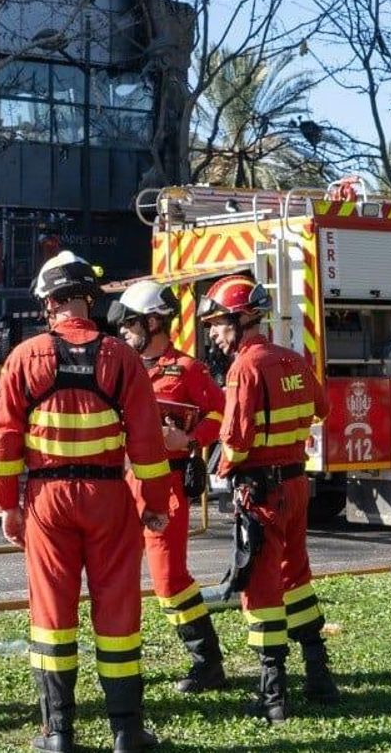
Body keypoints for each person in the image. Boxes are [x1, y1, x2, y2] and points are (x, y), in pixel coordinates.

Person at [0, 251, 174, 753]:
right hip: (110, 497)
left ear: (49, 303)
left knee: (51, 612)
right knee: (117, 613)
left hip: (48, 501)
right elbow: (148, 445)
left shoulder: (25, 357)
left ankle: (58, 733)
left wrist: (8, 504)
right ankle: (127, 731)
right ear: (89, 301)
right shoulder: (123, 358)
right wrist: (155, 502)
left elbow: (6, 441)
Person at [199, 274, 339, 724]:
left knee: (260, 587)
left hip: (260, 493)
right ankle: (319, 674)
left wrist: (215, 468)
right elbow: (322, 409)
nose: (214, 335)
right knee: (296, 578)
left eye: (218, 324)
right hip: (296, 487)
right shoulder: (293, 360)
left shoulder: (245, 368)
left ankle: (273, 692)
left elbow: (236, 442)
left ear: (242, 320)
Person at [107, 279, 229, 694]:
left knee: (169, 579)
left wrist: (191, 440)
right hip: (123, 485)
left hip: (168, 483)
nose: (123, 333)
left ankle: (207, 663)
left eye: (130, 325)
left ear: (154, 323)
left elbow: (221, 416)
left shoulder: (188, 369)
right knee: (117, 578)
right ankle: (125, 663)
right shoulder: (121, 369)